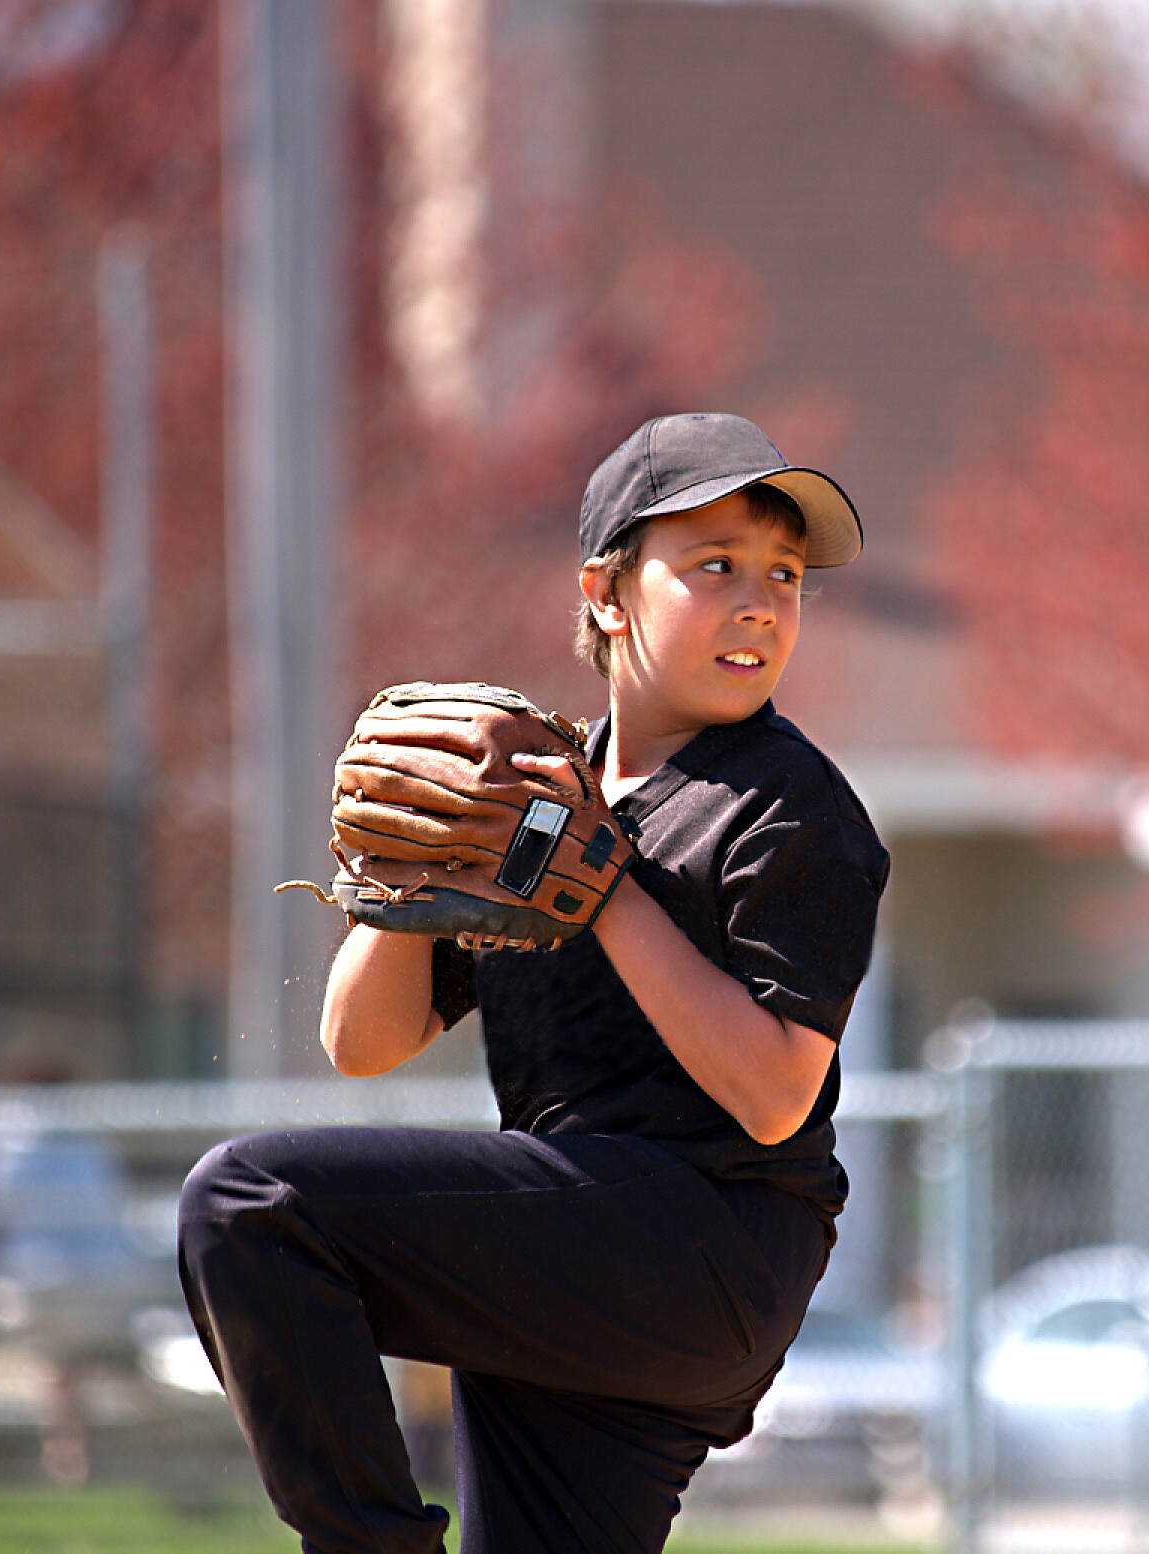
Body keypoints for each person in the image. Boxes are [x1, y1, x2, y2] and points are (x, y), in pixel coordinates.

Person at [177, 413, 890, 1554]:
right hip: (567, 1250)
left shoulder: (789, 807)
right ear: (606, 594)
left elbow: (774, 1096)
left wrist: (609, 893)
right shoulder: (540, 800)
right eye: (716, 565)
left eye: (786, 575)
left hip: (703, 1244)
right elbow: (362, 1044)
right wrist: (412, 882)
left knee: (253, 1204)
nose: (761, 602)